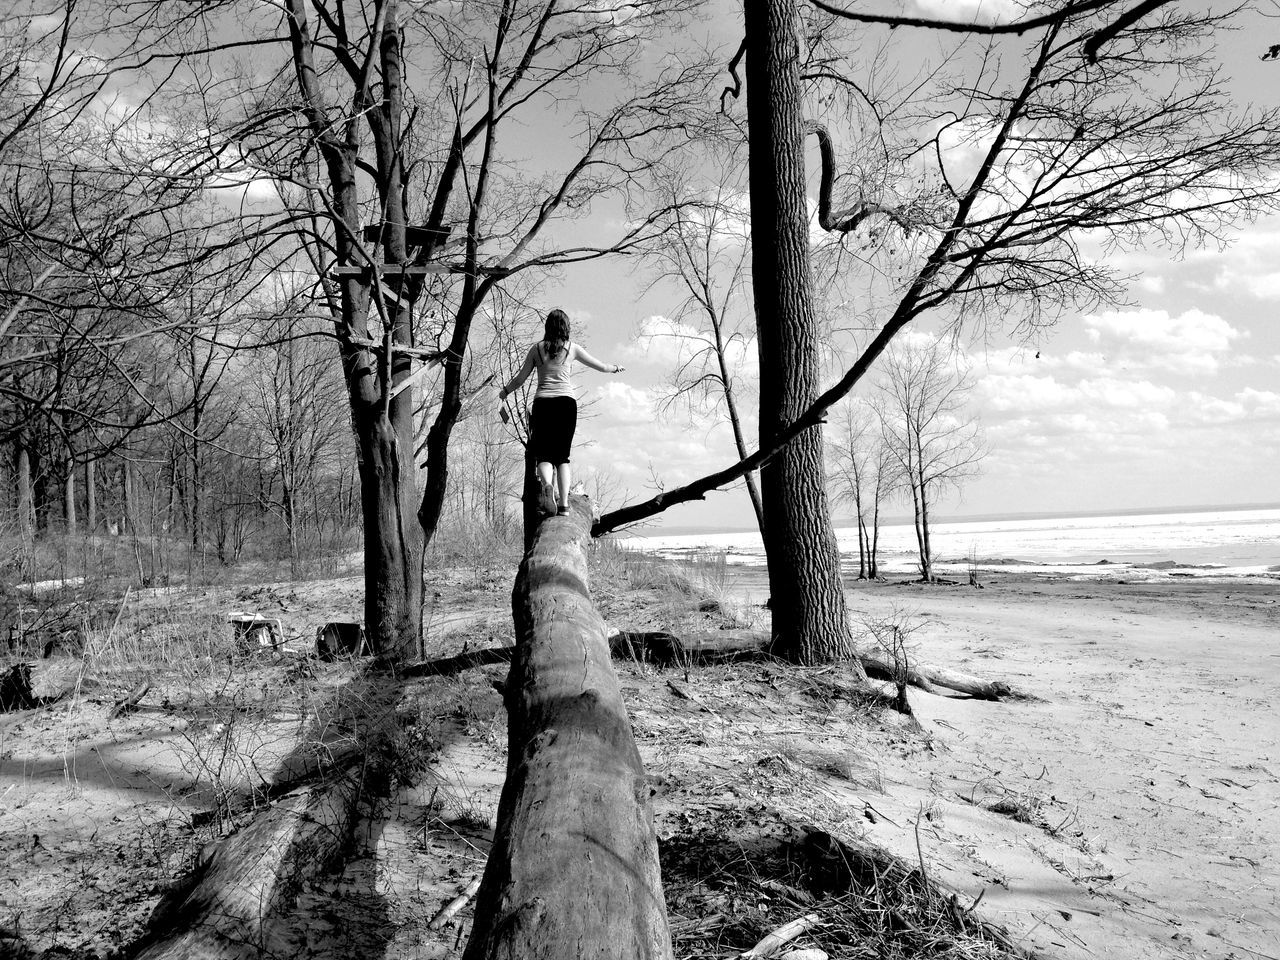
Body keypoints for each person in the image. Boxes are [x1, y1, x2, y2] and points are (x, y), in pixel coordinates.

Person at [498, 309, 625, 516]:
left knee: (544, 456)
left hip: (543, 404)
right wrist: (614, 368)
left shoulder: (536, 349)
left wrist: (505, 391)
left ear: (547, 327)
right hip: (566, 405)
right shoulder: (572, 348)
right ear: (566, 328)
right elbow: (600, 366)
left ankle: (548, 484)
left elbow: (520, 379)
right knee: (563, 457)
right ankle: (564, 505)